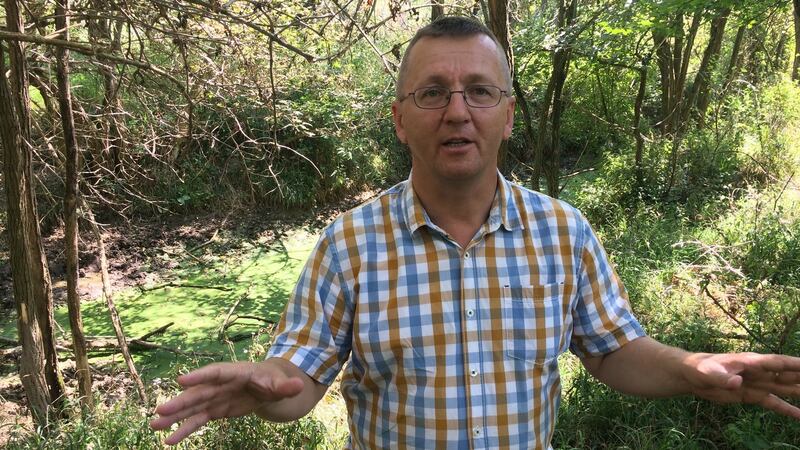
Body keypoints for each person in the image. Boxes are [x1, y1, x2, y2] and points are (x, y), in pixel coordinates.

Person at [150, 16, 800, 449]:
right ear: (400, 119)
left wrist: (693, 369)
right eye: (432, 93)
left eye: (479, 91)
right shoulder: (349, 244)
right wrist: (267, 386)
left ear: (508, 115)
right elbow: (298, 379)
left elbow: (612, 350)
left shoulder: (562, 233)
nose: (457, 110)